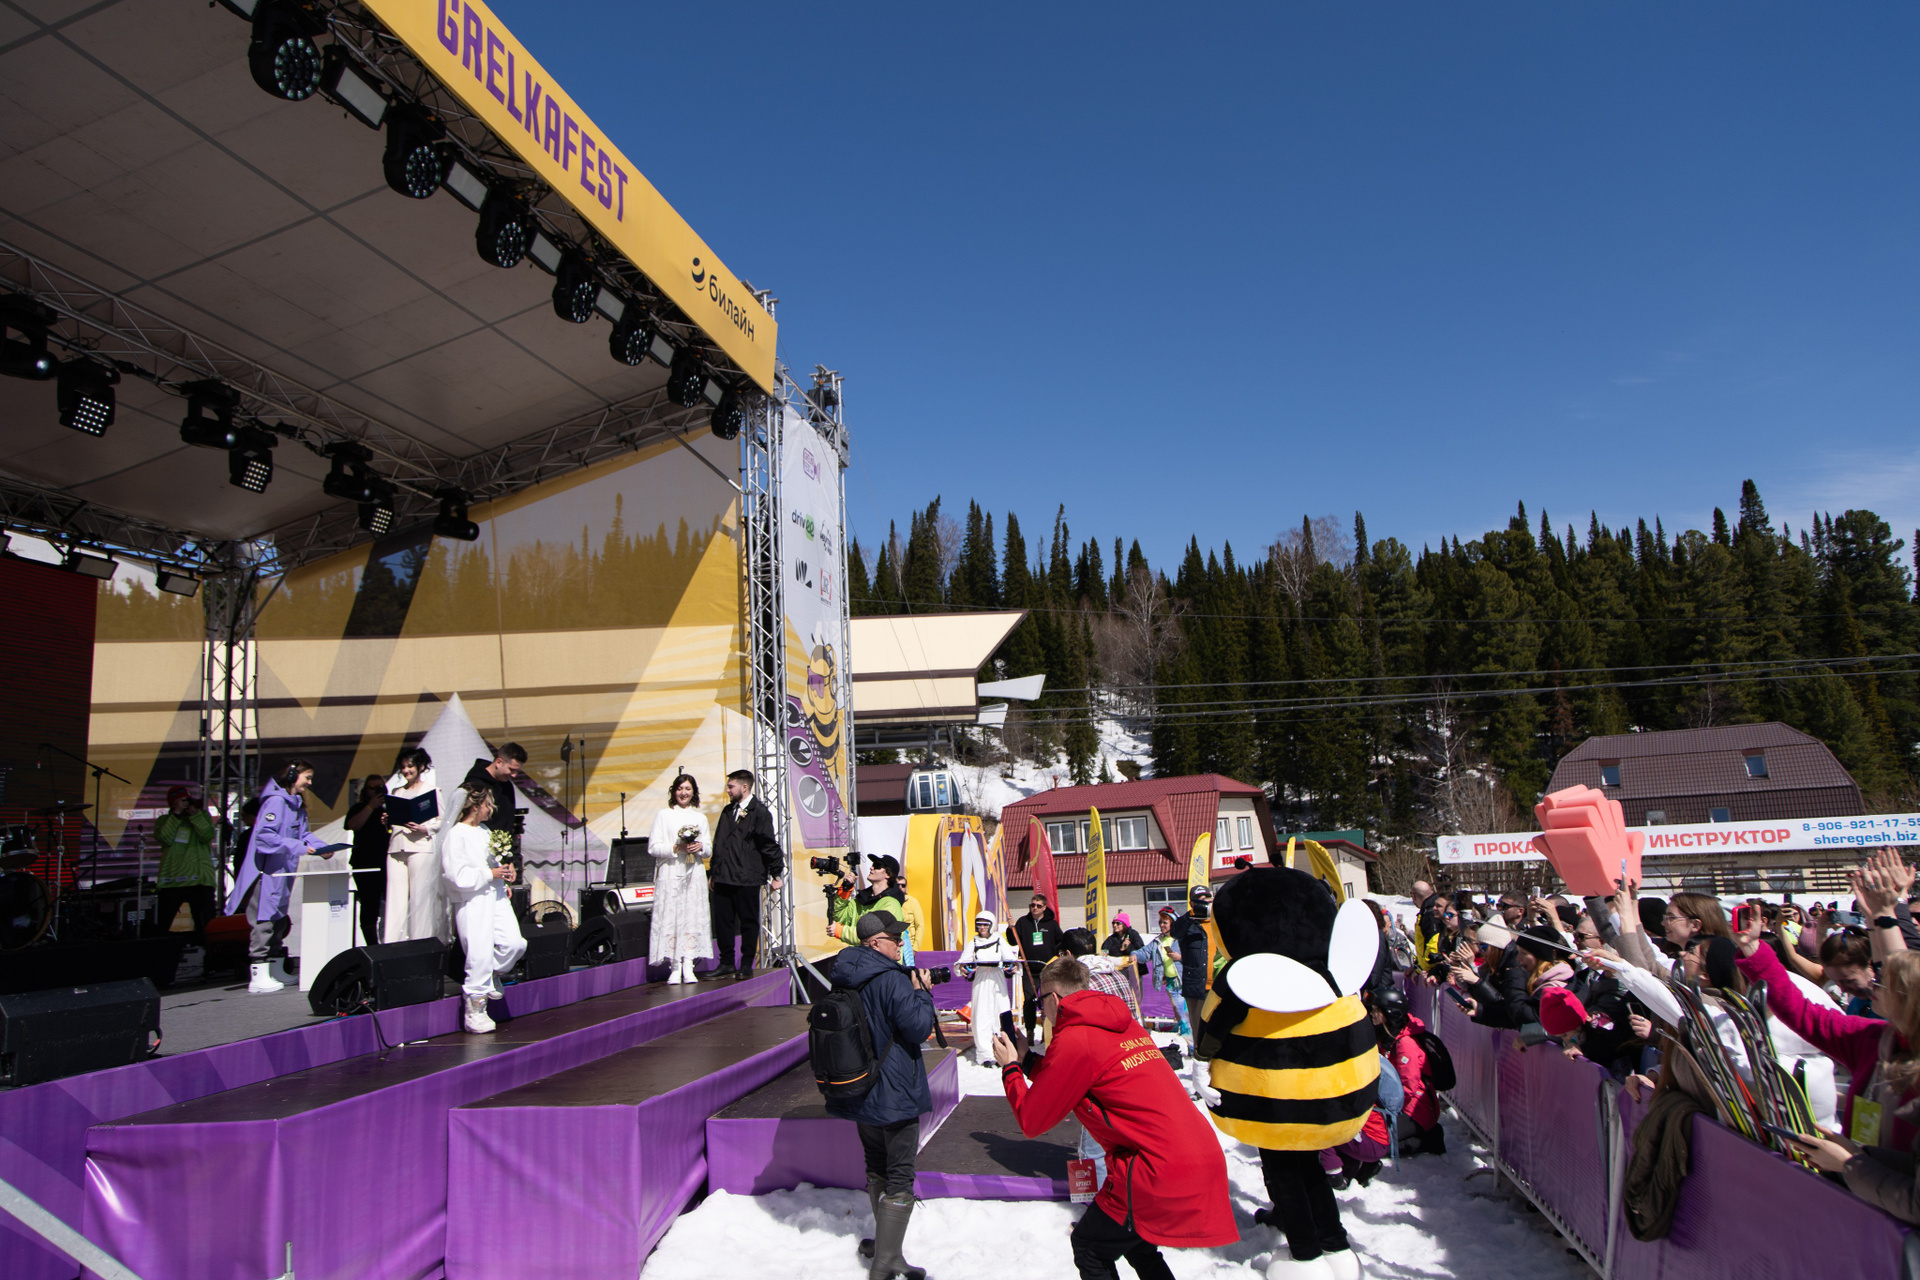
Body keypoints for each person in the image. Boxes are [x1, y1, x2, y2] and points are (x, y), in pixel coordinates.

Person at [991, 956, 1238, 1280]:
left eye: (1040, 1001)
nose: (1041, 1010)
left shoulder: (1074, 1037)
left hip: (1155, 1167)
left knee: (1089, 1247)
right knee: (1137, 1243)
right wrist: (1026, 1060)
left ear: (1054, 998)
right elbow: (1074, 1076)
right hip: (1193, 1152)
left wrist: (1010, 1068)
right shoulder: (1122, 1023)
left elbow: (1031, 1120)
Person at [823, 911, 936, 1280]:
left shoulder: (843, 974)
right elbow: (918, 1029)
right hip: (896, 1090)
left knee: (876, 1165)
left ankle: (888, 1249)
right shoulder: (891, 979)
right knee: (900, 1173)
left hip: (860, 1088)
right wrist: (922, 994)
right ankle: (886, 1260)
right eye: (894, 938)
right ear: (874, 942)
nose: (901, 943)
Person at [223, 759, 335, 994]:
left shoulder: (295, 803)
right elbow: (265, 838)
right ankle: (258, 973)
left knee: (278, 918)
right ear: (293, 776)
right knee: (263, 919)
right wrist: (299, 847)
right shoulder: (275, 801)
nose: (310, 783)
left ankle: (274, 967)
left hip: (284, 870)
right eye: (307, 777)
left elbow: (303, 834)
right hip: (266, 871)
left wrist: (322, 847)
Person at [441, 786, 525, 1034]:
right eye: (488, 804)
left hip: (494, 895)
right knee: (478, 952)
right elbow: (455, 876)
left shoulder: (485, 831)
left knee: (515, 944)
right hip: (472, 899)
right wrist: (490, 874)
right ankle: (475, 1009)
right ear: (475, 807)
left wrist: (503, 875)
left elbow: (492, 863)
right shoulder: (456, 835)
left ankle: (492, 972)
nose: (492, 809)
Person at [706, 769, 783, 981]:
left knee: (748, 921)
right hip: (724, 876)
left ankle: (747, 963)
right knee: (723, 921)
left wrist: (776, 873)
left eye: (731, 786)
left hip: (747, 877)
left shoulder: (759, 812)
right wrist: (713, 872)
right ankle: (726, 962)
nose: (728, 790)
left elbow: (768, 844)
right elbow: (719, 843)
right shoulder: (727, 811)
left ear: (744, 787)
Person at [649, 773, 712, 984]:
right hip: (670, 873)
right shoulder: (664, 815)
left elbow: (708, 849)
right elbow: (653, 848)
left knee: (692, 915)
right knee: (672, 915)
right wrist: (677, 848)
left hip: (693, 873)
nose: (683, 793)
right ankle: (674, 966)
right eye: (680, 789)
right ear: (674, 791)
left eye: (687, 789)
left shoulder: (700, 818)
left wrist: (700, 846)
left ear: (693, 792)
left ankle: (689, 964)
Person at [385, 748, 445, 942]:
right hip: (396, 847)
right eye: (403, 767)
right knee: (395, 897)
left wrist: (425, 829)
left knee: (420, 897)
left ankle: (421, 941)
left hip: (420, 846)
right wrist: (387, 819)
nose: (406, 771)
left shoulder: (432, 791)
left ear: (420, 767)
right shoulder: (397, 791)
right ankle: (392, 942)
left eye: (410, 766)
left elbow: (443, 821)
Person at [152, 785, 217, 944]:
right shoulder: (164, 820)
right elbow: (165, 837)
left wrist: (195, 815)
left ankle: (210, 954)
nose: (186, 803)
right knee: (161, 925)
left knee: (206, 926)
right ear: (173, 803)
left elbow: (207, 836)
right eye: (181, 801)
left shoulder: (201, 816)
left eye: (187, 800)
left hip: (199, 879)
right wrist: (176, 813)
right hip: (172, 879)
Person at [956, 910, 1019, 1063]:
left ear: (992, 925)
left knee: (1000, 1012)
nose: (982, 928)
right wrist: (963, 968)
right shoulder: (973, 942)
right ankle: (985, 1054)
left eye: (985, 925)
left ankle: (1002, 1051)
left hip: (997, 980)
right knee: (981, 1015)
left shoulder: (999, 940)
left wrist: (1013, 966)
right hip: (981, 980)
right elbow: (962, 962)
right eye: (979, 925)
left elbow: (1010, 958)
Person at [1006, 893, 1063, 1040]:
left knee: (1048, 1000)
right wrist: (1010, 928)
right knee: (1030, 999)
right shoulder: (1023, 922)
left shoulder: (1051, 924)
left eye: (1038, 906)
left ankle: (1047, 1030)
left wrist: (1058, 956)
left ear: (1044, 907)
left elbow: (1060, 941)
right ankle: (1030, 1030)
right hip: (1029, 969)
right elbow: (1013, 941)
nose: (1035, 908)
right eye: (1032, 905)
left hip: (1047, 969)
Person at [342, 774, 390, 947]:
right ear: (365, 791)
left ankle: (389, 941)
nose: (376, 791)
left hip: (386, 863)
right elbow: (352, 825)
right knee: (369, 905)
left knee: (390, 904)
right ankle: (372, 945)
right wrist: (371, 806)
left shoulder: (389, 809)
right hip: (365, 864)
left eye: (379, 787)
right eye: (372, 788)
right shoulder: (359, 808)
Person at [461, 742, 525, 863]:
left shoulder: (507, 786)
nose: (514, 775)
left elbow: (508, 824)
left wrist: (509, 859)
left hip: (501, 855)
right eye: (511, 770)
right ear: (499, 762)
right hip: (477, 853)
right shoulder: (475, 784)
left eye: (517, 771)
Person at [1168, 884, 1215, 1043]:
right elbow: (1175, 932)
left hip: (1218, 986)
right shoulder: (1188, 923)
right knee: (1200, 1033)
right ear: (1191, 903)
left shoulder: (1219, 920)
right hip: (1197, 987)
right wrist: (1192, 914)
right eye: (1199, 900)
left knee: (1219, 1032)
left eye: (1206, 899)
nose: (1204, 903)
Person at [829, 854, 908, 944]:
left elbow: (876, 936)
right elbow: (839, 917)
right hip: (861, 952)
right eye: (872, 865)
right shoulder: (862, 899)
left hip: (878, 954)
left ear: (888, 874)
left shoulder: (891, 903)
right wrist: (845, 890)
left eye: (877, 866)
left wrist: (841, 931)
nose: (871, 868)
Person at [1101, 910, 1145, 1002]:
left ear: (1124, 924)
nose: (1115, 925)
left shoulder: (1133, 934)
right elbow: (1104, 950)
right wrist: (1121, 949)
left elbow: (1140, 949)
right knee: (1122, 995)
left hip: (1135, 971)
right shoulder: (1112, 938)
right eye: (1113, 923)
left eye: (1118, 923)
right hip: (1120, 972)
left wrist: (1128, 947)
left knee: (1136, 996)